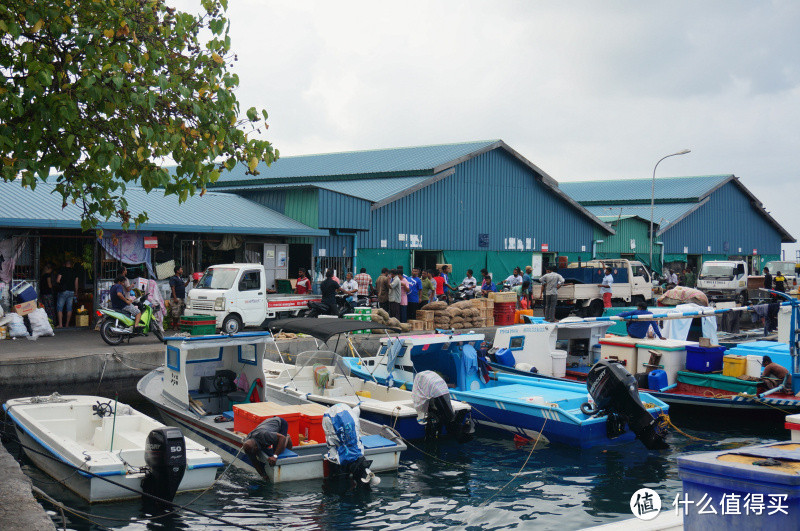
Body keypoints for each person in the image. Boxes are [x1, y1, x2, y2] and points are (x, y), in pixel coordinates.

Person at [56, 259, 79, 328]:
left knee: (60, 308)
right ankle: (67, 324)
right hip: (71, 292)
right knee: (69, 308)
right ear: (71, 265)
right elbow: (76, 283)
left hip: (63, 291)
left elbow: (58, 280)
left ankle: (60, 324)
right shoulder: (74, 271)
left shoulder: (62, 270)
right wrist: (76, 292)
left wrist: (61, 284)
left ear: (65, 264)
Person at [169, 265, 190, 331]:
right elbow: (173, 288)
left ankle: (177, 325)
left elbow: (184, 285)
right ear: (177, 271)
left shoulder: (180, 278)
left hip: (181, 297)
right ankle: (174, 326)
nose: (182, 271)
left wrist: (189, 281)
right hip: (176, 297)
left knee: (179, 312)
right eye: (181, 269)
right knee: (175, 313)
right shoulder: (173, 278)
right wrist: (175, 298)